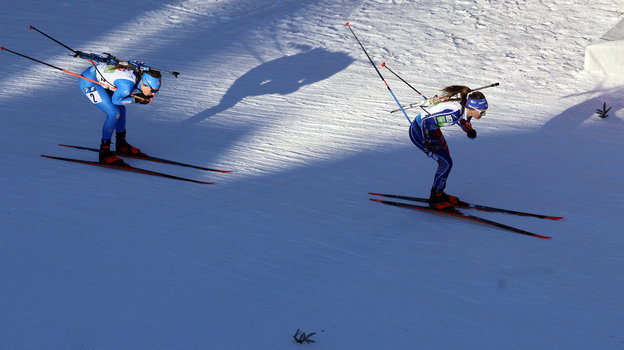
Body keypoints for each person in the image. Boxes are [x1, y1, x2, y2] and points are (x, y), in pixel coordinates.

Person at [408, 85, 488, 212]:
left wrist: (469, 130)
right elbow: (426, 122)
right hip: (420, 133)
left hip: (433, 131)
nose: (484, 114)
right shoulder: (454, 112)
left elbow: (463, 120)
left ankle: (440, 193)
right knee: (446, 163)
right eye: (482, 111)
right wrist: (427, 141)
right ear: (473, 108)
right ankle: (435, 198)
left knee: (446, 160)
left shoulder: (464, 109)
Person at [78, 62, 161, 165]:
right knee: (114, 113)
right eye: (152, 90)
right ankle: (104, 152)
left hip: (99, 77)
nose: (153, 94)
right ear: (145, 83)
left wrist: (136, 98)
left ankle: (121, 144)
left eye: (156, 91)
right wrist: (136, 100)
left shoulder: (139, 75)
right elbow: (115, 101)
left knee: (121, 110)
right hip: (88, 82)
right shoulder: (127, 86)